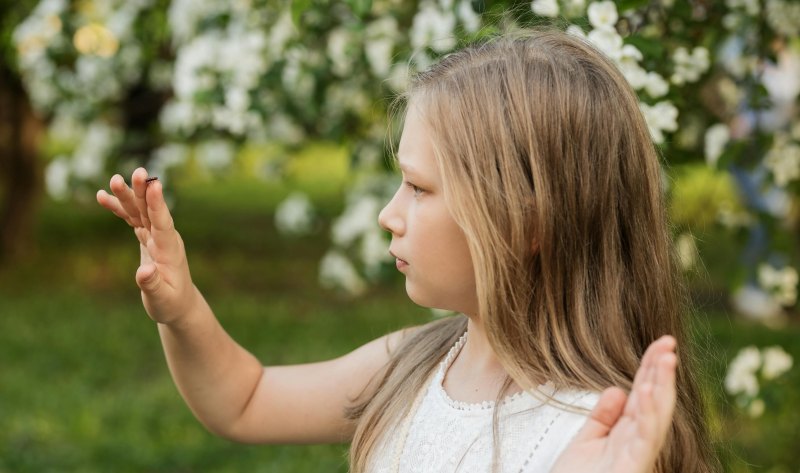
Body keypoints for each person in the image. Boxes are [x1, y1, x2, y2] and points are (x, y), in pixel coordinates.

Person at [96, 31, 717, 472]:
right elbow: (245, 401)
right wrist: (182, 311)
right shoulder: (412, 366)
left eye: (419, 188)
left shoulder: (603, 438)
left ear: (528, 222)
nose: (387, 214)